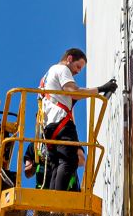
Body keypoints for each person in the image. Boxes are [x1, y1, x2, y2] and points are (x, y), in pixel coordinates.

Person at [39, 47, 117, 191]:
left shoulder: (47, 76)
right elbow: (74, 92)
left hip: (49, 127)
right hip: (61, 123)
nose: (77, 71)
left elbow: (65, 97)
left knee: (57, 164)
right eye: (77, 66)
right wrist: (100, 88)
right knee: (69, 161)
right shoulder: (62, 70)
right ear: (69, 59)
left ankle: (50, 208)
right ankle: (57, 204)